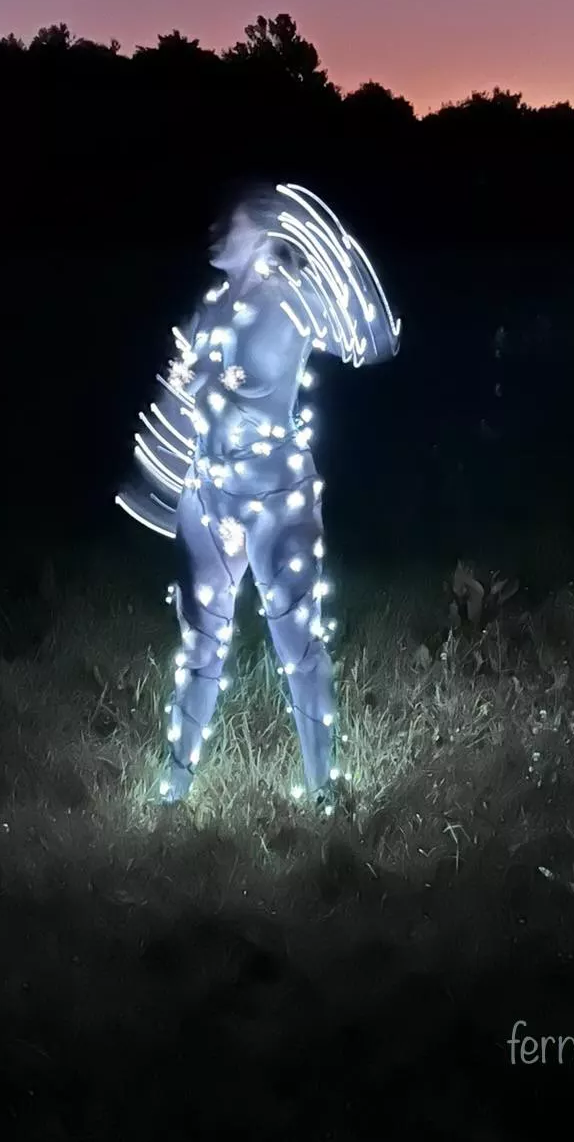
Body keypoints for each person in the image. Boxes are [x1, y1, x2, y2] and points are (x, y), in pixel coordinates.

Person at [116, 181, 400, 807]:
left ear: (266, 224)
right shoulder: (209, 306)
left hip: (275, 494)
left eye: (232, 217)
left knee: (296, 643)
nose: (216, 228)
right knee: (199, 645)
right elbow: (180, 395)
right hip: (206, 492)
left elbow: (376, 337)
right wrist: (158, 467)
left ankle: (324, 789)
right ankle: (174, 789)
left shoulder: (294, 298)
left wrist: (326, 254)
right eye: (215, 217)